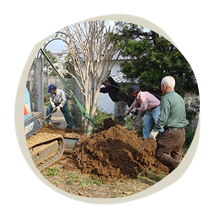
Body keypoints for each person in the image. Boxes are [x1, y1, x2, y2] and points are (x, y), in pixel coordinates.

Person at [149, 76, 186, 173]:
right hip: (181, 132)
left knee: (160, 154)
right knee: (176, 156)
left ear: (164, 86)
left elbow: (163, 117)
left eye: (161, 87)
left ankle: (183, 167)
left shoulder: (166, 98)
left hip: (171, 132)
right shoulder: (180, 98)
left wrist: (155, 130)